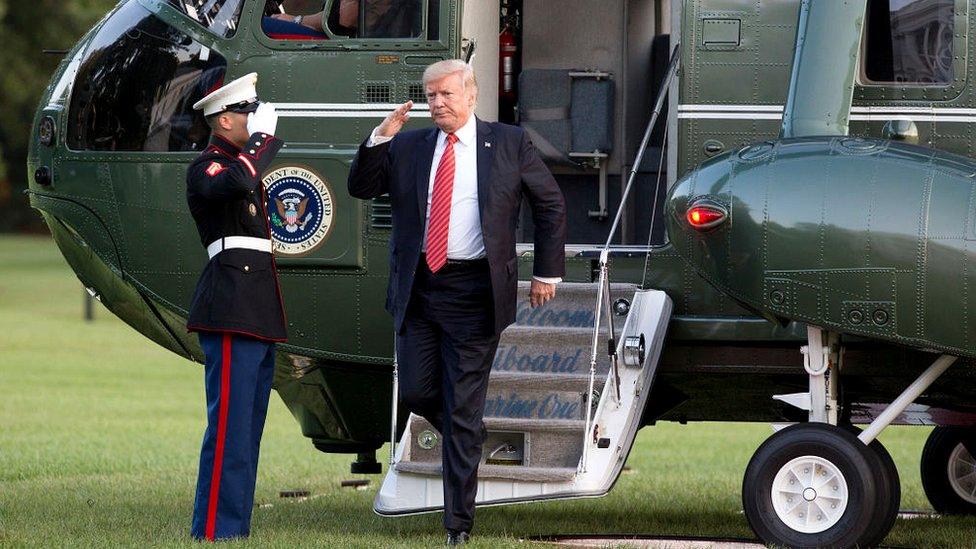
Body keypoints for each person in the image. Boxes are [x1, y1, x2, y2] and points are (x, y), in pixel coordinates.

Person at [347, 59, 566, 545]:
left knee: (462, 404)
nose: (437, 103)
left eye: (446, 94)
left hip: (476, 292)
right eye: (430, 96)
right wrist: (380, 136)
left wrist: (547, 271)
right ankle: (467, 433)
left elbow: (548, 203)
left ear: (471, 95)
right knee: (419, 394)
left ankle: (458, 524)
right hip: (420, 288)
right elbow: (361, 187)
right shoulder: (409, 144)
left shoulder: (509, 142)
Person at [184, 72, 287, 541]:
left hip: (255, 308)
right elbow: (232, 183)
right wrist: (263, 139)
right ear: (224, 120)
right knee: (228, 429)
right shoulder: (209, 166)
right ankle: (215, 530)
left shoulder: (241, 164)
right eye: (247, 113)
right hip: (230, 306)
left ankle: (233, 529)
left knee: (247, 431)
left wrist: (259, 143)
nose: (255, 118)